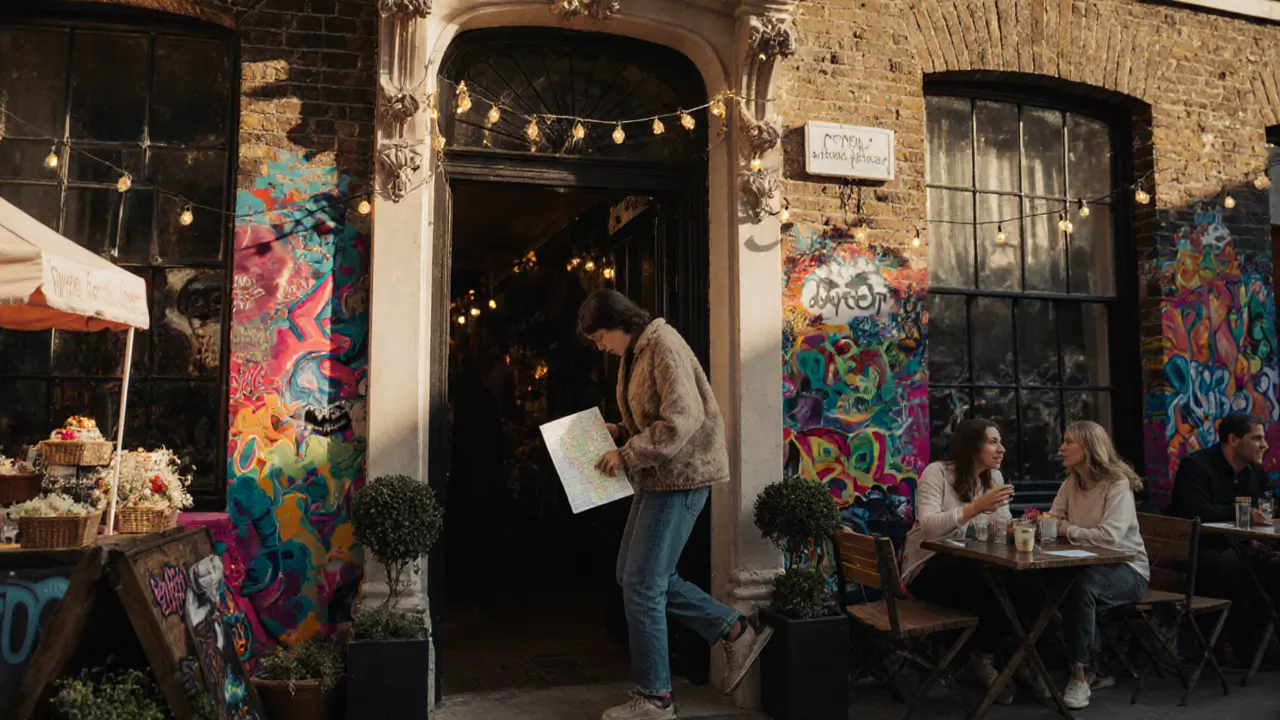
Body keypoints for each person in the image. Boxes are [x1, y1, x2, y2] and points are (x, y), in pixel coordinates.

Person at [579, 289, 770, 720]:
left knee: (644, 583)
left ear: (618, 324)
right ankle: (733, 628)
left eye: (600, 337)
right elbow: (654, 414)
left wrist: (627, 453)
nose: (601, 347)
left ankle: (656, 699)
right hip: (659, 477)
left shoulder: (663, 345)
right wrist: (620, 430)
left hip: (682, 477)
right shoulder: (636, 353)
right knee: (632, 576)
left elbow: (683, 418)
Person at [903, 418, 1046, 704]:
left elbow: (1000, 524)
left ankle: (1008, 656)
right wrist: (976, 507)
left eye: (1000, 442)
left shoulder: (995, 478)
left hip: (977, 563)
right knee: (990, 587)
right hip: (928, 565)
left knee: (1031, 585)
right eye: (993, 442)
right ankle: (982, 658)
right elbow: (928, 527)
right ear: (971, 447)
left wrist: (1018, 527)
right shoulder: (936, 473)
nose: (1001, 449)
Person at [1051, 421, 1150, 710]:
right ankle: (1086, 667)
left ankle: (1081, 674)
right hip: (1085, 565)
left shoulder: (1116, 484)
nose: (1061, 448)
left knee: (1081, 587)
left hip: (1129, 570)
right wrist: (1052, 525)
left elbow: (1110, 537)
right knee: (1049, 583)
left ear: (1089, 448)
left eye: (1069, 442)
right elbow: (1052, 519)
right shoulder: (1071, 482)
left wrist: (1067, 529)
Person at [1170, 412, 1276, 663]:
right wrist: (1245, 513)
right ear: (1233, 440)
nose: (1264, 445)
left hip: (1242, 548)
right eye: (1256, 438)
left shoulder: (1255, 472)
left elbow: (1269, 508)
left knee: (1273, 568)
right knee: (1231, 566)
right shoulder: (1195, 466)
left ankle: (1257, 642)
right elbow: (1195, 511)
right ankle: (1220, 641)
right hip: (1201, 549)